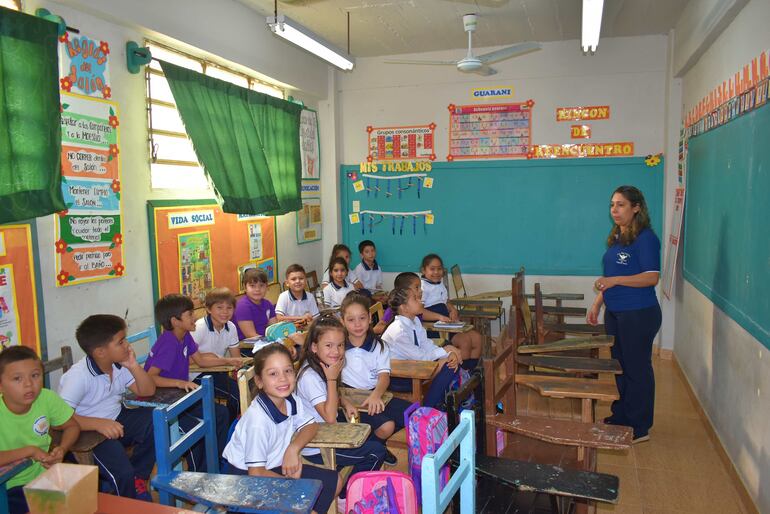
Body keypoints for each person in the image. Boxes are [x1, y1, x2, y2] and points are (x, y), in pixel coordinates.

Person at [222, 343, 338, 514]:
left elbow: (311, 425)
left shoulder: (291, 400)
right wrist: (292, 486)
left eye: (288, 371)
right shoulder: (258, 421)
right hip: (246, 480)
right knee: (304, 503)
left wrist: (293, 448)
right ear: (259, 381)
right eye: (273, 374)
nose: (283, 379)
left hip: (274, 466)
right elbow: (256, 473)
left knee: (334, 481)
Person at [587, 185, 661, 444]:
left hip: (638, 314)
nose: (614, 210)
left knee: (637, 369)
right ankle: (622, 415)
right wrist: (598, 303)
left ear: (636, 208)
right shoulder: (618, 236)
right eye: (612, 205)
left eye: (620, 205)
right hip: (616, 313)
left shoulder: (646, 238)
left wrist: (616, 279)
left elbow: (652, 277)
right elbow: (609, 280)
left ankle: (640, 426)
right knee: (620, 367)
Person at [58, 315, 157, 500]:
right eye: (121, 342)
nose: (127, 345)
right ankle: (127, 499)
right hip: (86, 432)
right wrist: (97, 424)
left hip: (116, 419)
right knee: (121, 473)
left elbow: (147, 390)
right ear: (101, 352)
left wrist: (134, 366)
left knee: (157, 421)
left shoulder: (119, 365)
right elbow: (59, 419)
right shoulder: (78, 377)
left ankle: (138, 476)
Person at [295, 316, 386, 501]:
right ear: (314, 347)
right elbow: (329, 416)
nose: (336, 351)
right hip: (317, 446)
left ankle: (354, 482)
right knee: (377, 452)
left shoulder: (324, 365)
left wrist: (345, 402)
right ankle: (346, 496)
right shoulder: (310, 376)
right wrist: (331, 378)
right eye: (328, 345)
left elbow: (330, 397)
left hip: (326, 430)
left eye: (340, 345)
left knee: (368, 432)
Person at [144, 294, 230, 469]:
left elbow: (200, 361)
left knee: (221, 414)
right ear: (175, 321)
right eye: (190, 314)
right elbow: (150, 378)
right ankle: (200, 475)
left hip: (181, 396)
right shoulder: (168, 343)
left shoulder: (185, 335)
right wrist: (179, 383)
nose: (195, 317)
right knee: (194, 431)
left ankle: (216, 462)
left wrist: (228, 361)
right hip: (164, 402)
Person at [0, 346, 80, 514]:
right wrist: (30, 451)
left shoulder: (46, 398)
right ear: (1, 386)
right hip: (7, 486)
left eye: (35, 376)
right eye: (17, 379)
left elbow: (72, 426)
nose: (29, 384)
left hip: (43, 478)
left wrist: (62, 449)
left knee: (85, 495)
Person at [339, 292, 409, 465]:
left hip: (374, 393)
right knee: (387, 426)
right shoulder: (337, 346)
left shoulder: (379, 345)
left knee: (412, 413)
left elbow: (384, 377)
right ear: (342, 321)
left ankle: (375, 446)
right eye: (351, 320)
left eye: (362, 318)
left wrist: (376, 395)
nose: (357, 325)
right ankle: (376, 450)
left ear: (370, 317)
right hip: (347, 399)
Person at [382, 287, 463, 409]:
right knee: (449, 365)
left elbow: (427, 345)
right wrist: (447, 350)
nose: (421, 300)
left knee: (452, 361)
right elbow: (421, 357)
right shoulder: (399, 330)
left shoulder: (414, 321)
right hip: (398, 376)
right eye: (415, 299)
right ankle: (427, 409)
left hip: (414, 366)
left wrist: (448, 353)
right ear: (404, 307)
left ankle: (439, 405)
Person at [420, 254, 483, 369]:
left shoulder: (439, 284)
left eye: (439, 269)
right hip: (434, 330)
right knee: (465, 341)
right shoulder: (422, 287)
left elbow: (445, 301)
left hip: (447, 326)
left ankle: (471, 373)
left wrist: (453, 309)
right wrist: (440, 317)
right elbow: (420, 312)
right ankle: (461, 375)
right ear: (423, 270)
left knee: (477, 337)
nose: (436, 272)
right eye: (432, 269)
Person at [191, 288, 243, 422]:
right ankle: (231, 432)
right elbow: (187, 360)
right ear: (208, 309)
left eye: (229, 308)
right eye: (219, 307)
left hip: (217, 370)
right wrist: (216, 359)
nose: (225, 312)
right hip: (195, 376)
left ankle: (235, 428)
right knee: (237, 396)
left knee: (246, 388)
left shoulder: (231, 327)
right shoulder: (199, 327)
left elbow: (236, 358)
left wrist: (239, 369)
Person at [232, 268, 276, 341]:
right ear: (245, 287)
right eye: (252, 286)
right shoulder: (242, 306)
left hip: (265, 342)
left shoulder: (268, 304)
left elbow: (274, 329)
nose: (257, 289)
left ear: (267, 287)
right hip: (247, 346)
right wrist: (272, 342)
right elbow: (251, 336)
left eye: (261, 285)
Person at [275, 264, 320, 329]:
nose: (298, 281)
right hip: (288, 331)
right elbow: (279, 318)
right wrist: (301, 318)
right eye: (293, 279)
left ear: (305, 281)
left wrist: (309, 322)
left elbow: (316, 318)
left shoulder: (310, 297)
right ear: (287, 283)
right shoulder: (283, 296)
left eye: (301, 278)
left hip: (306, 330)